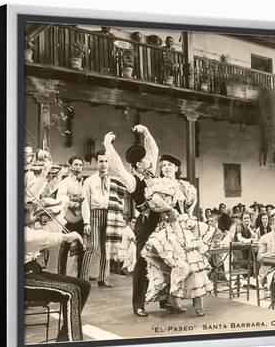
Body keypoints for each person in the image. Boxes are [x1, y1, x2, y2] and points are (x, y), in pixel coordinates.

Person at [103, 125, 170, 317]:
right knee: (142, 262)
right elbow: (116, 165)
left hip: (163, 221)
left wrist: (147, 132)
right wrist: (108, 145)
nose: (150, 160)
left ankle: (165, 300)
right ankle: (138, 304)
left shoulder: (152, 175)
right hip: (146, 223)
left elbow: (154, 150)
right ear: (139, 164)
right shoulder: (132, 180)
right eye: (146, 160)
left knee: (166, 258)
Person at [141, 154, 216, 316]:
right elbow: (154, 203)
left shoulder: (184, 186)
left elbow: (189, 207)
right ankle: (172, 300)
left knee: (194, 263)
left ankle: (198, 301)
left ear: (176, 168)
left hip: (184, 227)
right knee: (174, 265)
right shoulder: (158, 184)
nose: (166, 167)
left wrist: (189, 216)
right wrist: (169, 209)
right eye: (164, 165)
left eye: (170, 165)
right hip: (168, 228)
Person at [24, 202, 91, 341]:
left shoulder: (26, 224)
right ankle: (72, 343)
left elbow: (47, 232)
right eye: (25, 208)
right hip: (22, 278)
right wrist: (65, 237)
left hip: (34, 271)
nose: (29, 210)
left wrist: (62, 203)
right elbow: (36, 237)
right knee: (71, 292)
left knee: (84, 286)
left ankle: (64, 338)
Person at [80, 150, 126, 288]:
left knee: (106, 248)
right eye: (101, 161)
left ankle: (102, 279)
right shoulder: (89, 180)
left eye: (106, 161)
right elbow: (85, 201)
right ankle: (83, 279)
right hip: (95, 214)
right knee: (92, 247)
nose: (104, 164)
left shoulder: (114, 181)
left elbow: (120, 200)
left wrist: (119, 217)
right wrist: (86, 221)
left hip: (110, 214)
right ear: (96, 162)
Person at [56, 155, 85, 277]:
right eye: (76, 164)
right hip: (69, 217)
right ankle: (61, 274)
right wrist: (72, 202)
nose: (78, 167)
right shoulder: (65, 182)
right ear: (71, 166)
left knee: (81, 245)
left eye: (80, 165)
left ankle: (80, 275)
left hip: (81, 217)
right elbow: (60, 197)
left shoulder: (83, 182)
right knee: (65, 245)